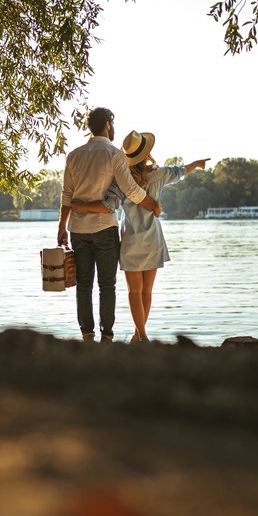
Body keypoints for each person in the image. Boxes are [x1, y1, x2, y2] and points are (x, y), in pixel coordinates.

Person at [76, 130, 208, 342]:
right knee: (147, 291)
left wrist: (80, 206)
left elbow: (108, 206)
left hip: (131, 240)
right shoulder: (160, 174)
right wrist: (197, 163)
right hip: (153, 238)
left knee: (134, 291)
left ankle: (141, 335)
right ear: (147, 154)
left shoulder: (120, 180)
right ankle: (139, 335)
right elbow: (181, 171)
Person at [58, 108, 161, 343]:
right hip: (105, 229)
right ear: (107, 125)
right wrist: (153, 204)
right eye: (112, 124)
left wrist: (61, 227)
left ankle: (86, 335)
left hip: (78, 230)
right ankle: (106, 337)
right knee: (107, 285)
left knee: (83, 284)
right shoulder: (115, 154)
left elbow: (66, 196)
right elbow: (132, 191)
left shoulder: (73, 155)